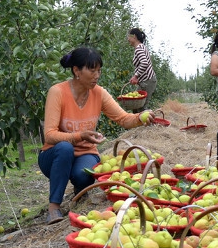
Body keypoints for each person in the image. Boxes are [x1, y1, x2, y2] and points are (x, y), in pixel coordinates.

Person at [39, 46, 152, 223]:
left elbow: (123, 119)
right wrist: (80, 136)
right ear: (76, 71)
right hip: (54, 155)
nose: (97, 75)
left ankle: (80, 190)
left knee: (85, 175)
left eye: (99, 71)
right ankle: (53, 208)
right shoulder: (58, 92)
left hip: (85, 153)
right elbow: (50, 135)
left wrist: (140, 117)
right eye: (92, 71)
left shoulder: (99, 93)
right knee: (65, 148)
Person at [126, 28, 157, 99]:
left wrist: (135, 76)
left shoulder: (139, 48)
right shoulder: (141, 47)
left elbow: (144, 63)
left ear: (134, 36)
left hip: (147, 81)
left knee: (141, 104)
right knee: (137, 102)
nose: (128, 39)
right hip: (146, 80)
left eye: (129, 36)